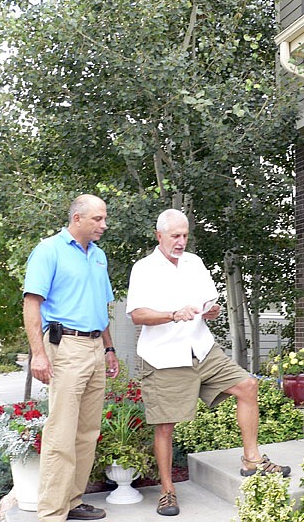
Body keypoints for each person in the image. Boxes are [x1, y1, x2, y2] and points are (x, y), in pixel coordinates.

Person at [126, 208, 290, 517]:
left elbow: (206, 302)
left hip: (201, 348)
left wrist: (210, 310)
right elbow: (137, 314)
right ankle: (167, 490)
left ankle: (252, 459)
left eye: (185, 235)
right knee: (165, 426)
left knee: (248, 386)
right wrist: (172, 314)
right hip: (164, 357)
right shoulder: (144, 268)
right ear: (159, 235)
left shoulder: (195, 263)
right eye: (175, 235)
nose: (181, 241)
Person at [23, 194, 120, 522]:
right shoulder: (49, 251)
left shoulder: (98, 256)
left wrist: (109, 348)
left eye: (104, 219)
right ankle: (51, 513)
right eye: (97, 219)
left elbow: (101, 307)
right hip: (65, 347)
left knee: (87, 432)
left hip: (94, 347)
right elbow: (32, 304)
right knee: (61, 432)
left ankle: (73, 501)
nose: (103, 225)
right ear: (77, 218)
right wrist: (38, 354)